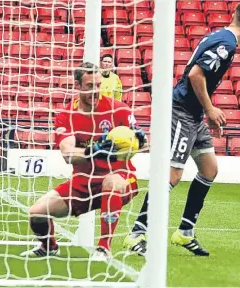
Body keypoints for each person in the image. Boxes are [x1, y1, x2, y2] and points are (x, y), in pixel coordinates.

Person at [124, 0, 240, 256]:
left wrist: (205, 112)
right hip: (183, 111)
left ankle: (184, 232)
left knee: (209, 169)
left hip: (194, 114)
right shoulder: (227, 44)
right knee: (172, 175)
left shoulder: (219, 34)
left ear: (234, 15)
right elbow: (196, 75)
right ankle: (136, 234)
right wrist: (210, 109)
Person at [20, 62, 146, 261]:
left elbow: (143, 144)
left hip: (121, 178)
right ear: (78, 86)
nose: (95, 91)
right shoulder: (66, 116)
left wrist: (139, 141)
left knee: (111, 183)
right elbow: (68, 153)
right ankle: (48, 247)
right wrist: (94, 150)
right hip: (83, 184)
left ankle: (104, 248)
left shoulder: (119, 109)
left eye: (98, 85)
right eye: (89, 86)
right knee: (36, 213)